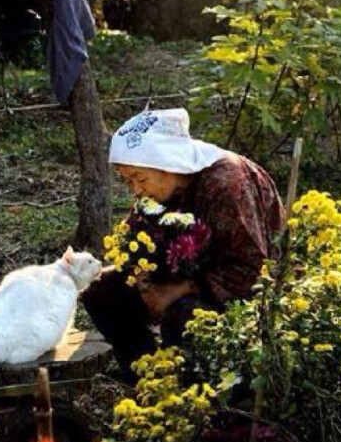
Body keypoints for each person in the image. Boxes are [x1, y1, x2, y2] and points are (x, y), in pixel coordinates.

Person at [82, 108, 284, 378]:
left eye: (140, 178)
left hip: (237, 296)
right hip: (175, 277)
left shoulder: (225, 183)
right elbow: (136, 241)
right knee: (99, 288)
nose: (136, 190)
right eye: (128, 180)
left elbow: (253, 271)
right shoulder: (156, 191)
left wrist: (180, 289)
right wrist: (144, 281)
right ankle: (143, 374)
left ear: (169, 163)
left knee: (183, 313)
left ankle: (187, 389)